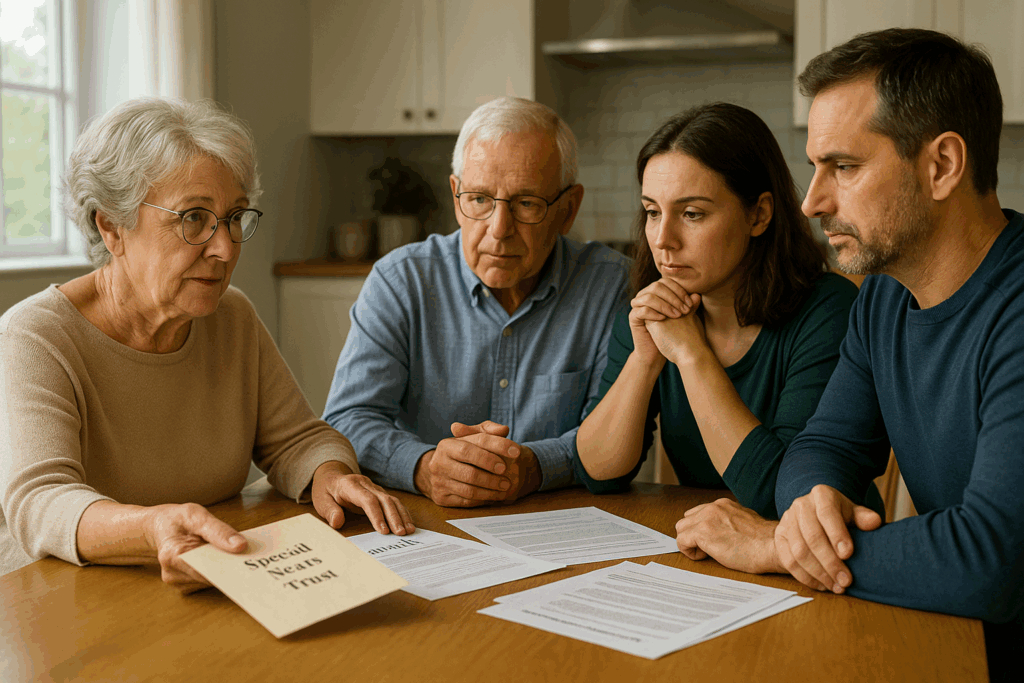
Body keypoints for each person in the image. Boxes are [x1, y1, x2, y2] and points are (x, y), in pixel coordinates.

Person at [674, 29, 1023, 679]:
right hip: (954, 638)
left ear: (942, 165)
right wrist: (812, 507)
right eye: (815, 166)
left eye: (845, 166)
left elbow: (991, 561)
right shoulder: (882, 300)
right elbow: (821, 445)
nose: (812, 201)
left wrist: (778, 544)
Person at [0, 98, 413, 591]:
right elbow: (41, 502)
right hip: (56, 599)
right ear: (111, 225)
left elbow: (298, 439)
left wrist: (330, 474)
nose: (224, 248)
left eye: (234, 216)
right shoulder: (35, 337)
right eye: (193, 218)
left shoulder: (230, 315)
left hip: (199, 583)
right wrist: (152, 529)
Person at [322, 97, 630, 508]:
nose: (499, 230)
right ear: (455, 197)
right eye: (480, 199)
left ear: (567, 209)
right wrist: (425, 468)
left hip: (567, 525)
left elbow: (616, 440)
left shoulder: (612, 287)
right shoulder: (400, 281)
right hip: (428, 524)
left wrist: (534, 467)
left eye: (526, 204)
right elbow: (348, 419)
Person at [574, 103, 859, 527]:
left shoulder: (827, 310)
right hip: (708, 550)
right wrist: (645, 360)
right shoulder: (653, 312)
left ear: (758, 215)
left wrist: (692, 356)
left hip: (817, 560)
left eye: (692, 214)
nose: (663, 240)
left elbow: (778, 494)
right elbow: (598, 473)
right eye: (653, 212)